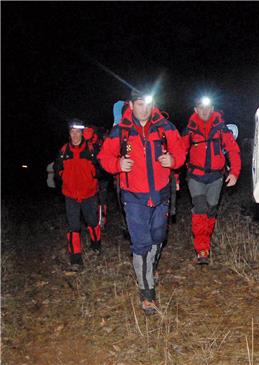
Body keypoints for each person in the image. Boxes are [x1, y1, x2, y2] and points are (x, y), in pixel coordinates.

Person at [98, 89, 185, 315]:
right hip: (133, 197)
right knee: (142, 244)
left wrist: (173, 160)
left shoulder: (166, 128)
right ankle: (147, 294)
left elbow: (181, 151)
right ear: (131, 105)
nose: (143, 108)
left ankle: (150, 268)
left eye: (147, 103)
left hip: (160, 196)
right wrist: (117, 165)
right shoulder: (121, 131)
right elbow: (104, 157)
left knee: (158, 238)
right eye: (139, 104)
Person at [182, 96, 241, 265]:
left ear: (213, 108)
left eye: (207, 108)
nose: (204, 111)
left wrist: (235, 173)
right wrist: (172, 173)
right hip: (196, 176)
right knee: (200, 208)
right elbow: (179, 152)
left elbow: (233, 150)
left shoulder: (221, 129)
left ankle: (205, 240)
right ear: (195, 110)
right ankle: (202, 249)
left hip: (216, 176)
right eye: (200, 108)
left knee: (211, 211)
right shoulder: (190, 130)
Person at [54, 119, 102, 271]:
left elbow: (100, 169)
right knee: (73, 226)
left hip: (89, 194)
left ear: (82, 133)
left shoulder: (90, 149)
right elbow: (57, 170)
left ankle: (96, 245)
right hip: (70, 195)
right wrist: (64, 179)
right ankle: (76, 258)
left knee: (92, 222)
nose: (74, 135)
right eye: (72, 132)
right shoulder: (64, 151)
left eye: (77, 132)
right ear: (69, 133)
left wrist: (92, 177)